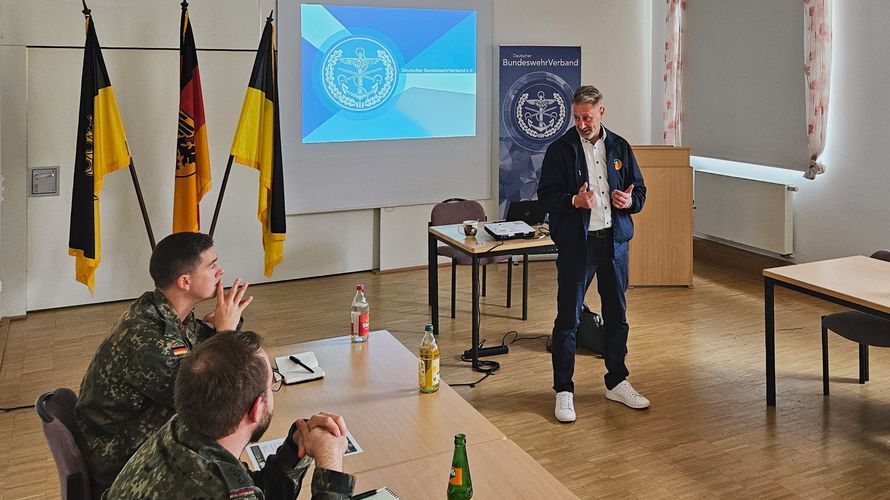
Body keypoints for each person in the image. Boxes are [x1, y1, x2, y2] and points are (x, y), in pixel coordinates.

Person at [74, 232, 253, 495]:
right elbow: (209, 398)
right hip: (121, 464)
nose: (220, 271)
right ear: (185, 281)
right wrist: (225, 334)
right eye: (212, 265)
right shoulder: (144, 336)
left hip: (142, 440)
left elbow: (206, 356)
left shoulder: (169, 312)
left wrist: (226, 327)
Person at [106, 330, 355, 499]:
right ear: (257, 408)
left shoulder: (177, 430)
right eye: (272, 384)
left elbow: (245, 485)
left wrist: (293, 451)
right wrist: (330, 462)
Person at [537, 85, 649, 423]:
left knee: (617, 316)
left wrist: (630, 202)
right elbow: (545, 197)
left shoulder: (620, 146)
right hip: (578, 245)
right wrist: (574, 201)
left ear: (601, 112)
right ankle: (564, 391)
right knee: (568, 320)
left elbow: (640, 191)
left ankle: (616, 381)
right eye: (576, 117)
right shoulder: (560, 150)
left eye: (587, 117)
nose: (582, 123)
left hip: (614, 243)